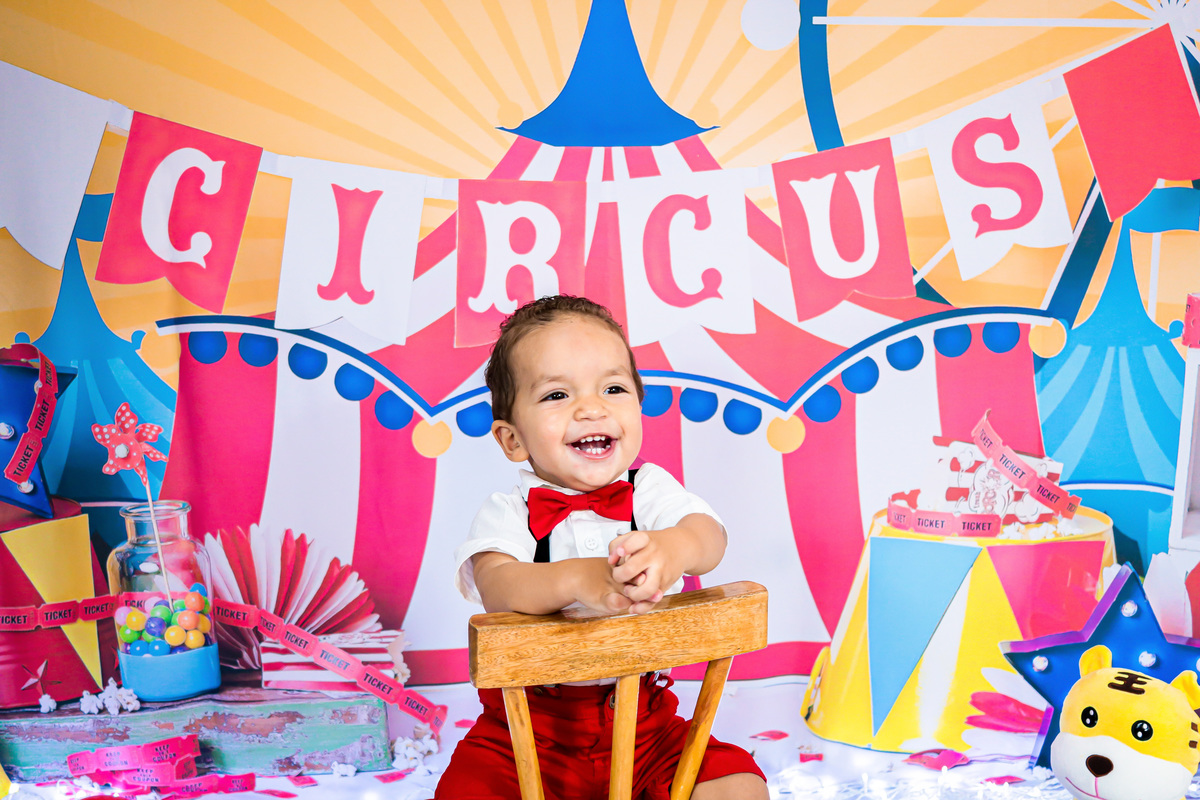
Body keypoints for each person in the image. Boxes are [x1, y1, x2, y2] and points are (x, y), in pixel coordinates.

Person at [436, 295, 767, 799]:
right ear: (512, 439)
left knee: (738, 784)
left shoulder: (649, 490)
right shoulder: (509, 511)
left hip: (646, 730)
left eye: (613, 388)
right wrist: (576, 578)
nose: (592, 407)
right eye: (556, 395)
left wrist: (673, 547)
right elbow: (497, 584)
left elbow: (709, 537)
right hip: (526, 736)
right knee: (467, 791)